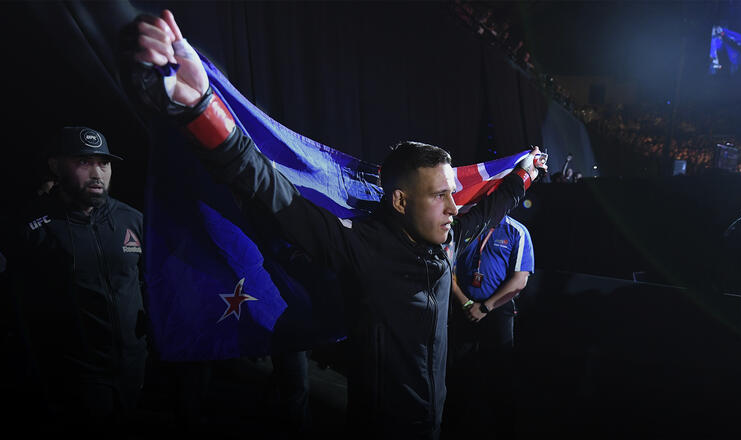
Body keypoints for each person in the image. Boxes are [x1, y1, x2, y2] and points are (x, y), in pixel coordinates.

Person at [126, 10, 546, 439]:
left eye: (451, 195)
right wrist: (201, 108)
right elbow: (269, 188)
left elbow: (487, 213)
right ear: (400, 200)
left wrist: (525, 173)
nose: (453, 208)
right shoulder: (362, 249)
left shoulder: (443, 241)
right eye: (441, 196)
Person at [4, 126, 147, 436]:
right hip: (73, 377)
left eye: (103, 163)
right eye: (84, 162)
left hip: (135, 370)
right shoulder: (34, 227)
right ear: (55, 166)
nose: (98, 173)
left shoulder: (132, 220)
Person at [443, 215, 534, 439]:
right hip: (463, 307)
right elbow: (447, 268)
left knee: (499, 374)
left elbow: (520, 280)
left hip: (497, 312)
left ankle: (504, 428)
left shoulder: (517, 231)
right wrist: (465, 302)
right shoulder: (464, 226)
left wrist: (485, 307)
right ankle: (451, 427)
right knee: (456, 374)